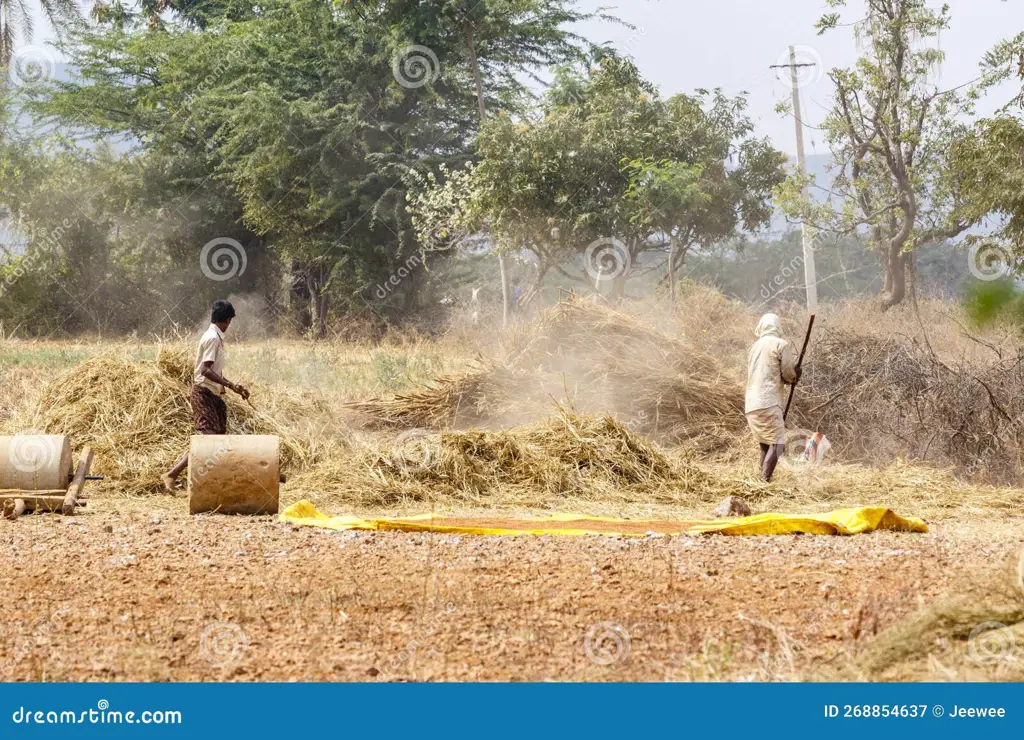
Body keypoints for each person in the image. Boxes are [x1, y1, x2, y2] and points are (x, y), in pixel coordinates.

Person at [161, 300, 250, 492]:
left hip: (212, 394)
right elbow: (205, 370)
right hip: (204, 393)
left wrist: (233, 387)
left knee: (216, 441)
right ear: (226, 320)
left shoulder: (214, 337)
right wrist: (228, 384)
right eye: (229, 321)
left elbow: (214, 371)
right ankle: (172, 474)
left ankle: (212, 482)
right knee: (207, 440)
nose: (229, 324)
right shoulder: (213, 338)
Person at [745, 313, 800, 482]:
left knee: (765, 443)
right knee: (778, 444)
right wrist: (796, 375)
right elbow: (788, 374)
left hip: (751, 403)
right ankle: (763, 482)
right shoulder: (781, 344)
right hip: (768, 401)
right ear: (778, 327)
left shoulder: (754, 347)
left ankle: (758, 480)